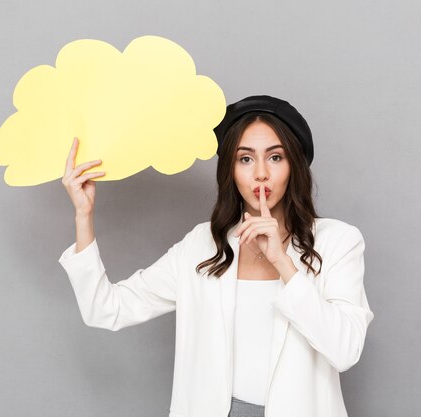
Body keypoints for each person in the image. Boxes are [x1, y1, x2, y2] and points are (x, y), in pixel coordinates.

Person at [59, 95, 375, 417]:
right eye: (246, 159)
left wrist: (283, 262)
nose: (261, 174)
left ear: (294, 165)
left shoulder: (337, 241)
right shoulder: (202, 244)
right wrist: (84, 216)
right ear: (231, 170)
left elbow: (345, 349)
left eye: (276, 157)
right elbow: (105, 309)